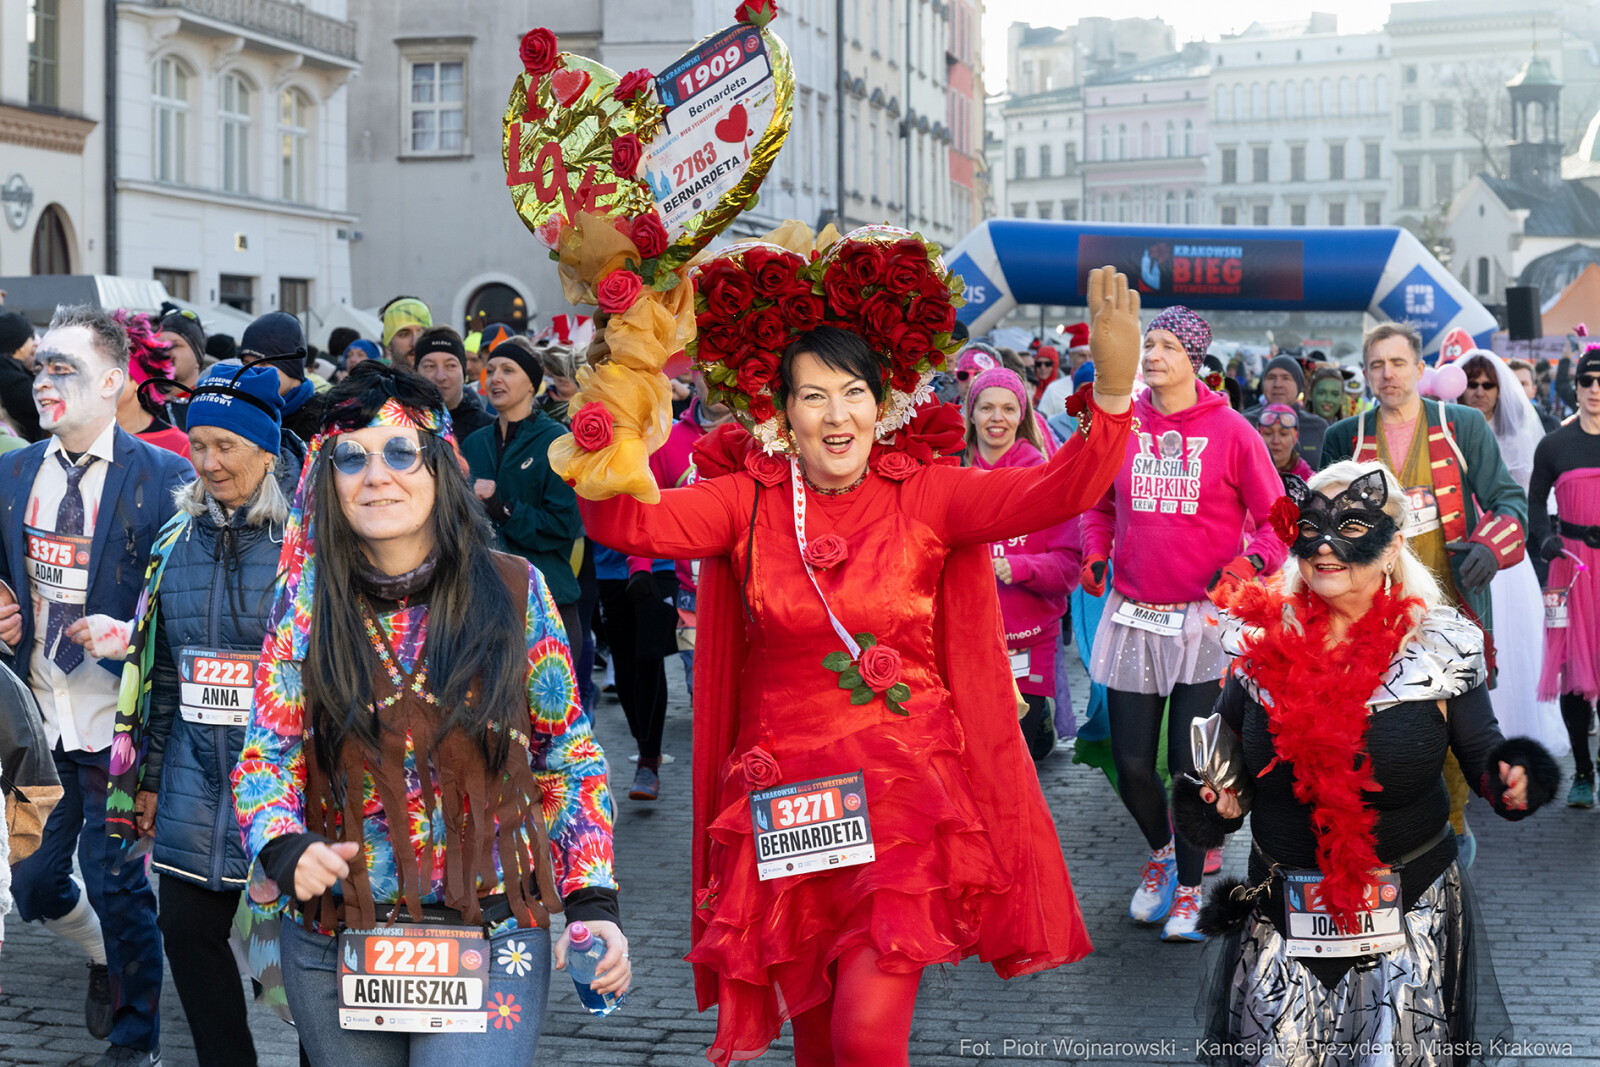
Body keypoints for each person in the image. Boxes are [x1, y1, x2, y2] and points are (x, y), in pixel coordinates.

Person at [575, 232, 1140, 1065]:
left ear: (884, 403)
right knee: (815, 1037)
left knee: (866, 1034)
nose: (836, 416)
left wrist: (1118, 396)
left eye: (852, 394)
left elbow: (1060, 490)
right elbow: (625, 521)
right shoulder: (748, 500)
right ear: (782, 411)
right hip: (788, 802)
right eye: (813, 397)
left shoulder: (930, 494)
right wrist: (618, 394)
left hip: (902, 798)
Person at [231, 363, 626, 1064]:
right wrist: (286, 843)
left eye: (400, 451)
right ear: (328, 480)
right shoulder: (306, 599)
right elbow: (268, 755)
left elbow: (570, 757)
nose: (375, 474)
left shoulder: (514, 589)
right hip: (336, 937)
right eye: (350, 457)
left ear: (440, 465)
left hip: (493, 934)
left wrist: (591, 897)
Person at [1177, 462, 1559, 1066]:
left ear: (1393, 545)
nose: (1325, 546)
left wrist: (1514, 779)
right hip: (1281, 916)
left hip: (1409, 921)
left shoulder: (1439, 644)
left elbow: (1484, 754)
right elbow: (1225, 747)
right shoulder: (1258, 641)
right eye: (1311, 527)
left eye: (1351, 526)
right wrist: (1214, 794)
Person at [87, 363, 296, 1067]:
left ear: (266, 450)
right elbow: (164, 673)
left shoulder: (307, 544)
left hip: (285, 786)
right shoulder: (177, 539)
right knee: (187, 933)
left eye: (225, 447)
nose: (207, 461)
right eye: (199, 444)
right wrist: (145, 777)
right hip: (190, 782)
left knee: (292, 965)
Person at [0, 305, 192, 1066]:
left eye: (64, 368)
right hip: (36, 727)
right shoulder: (11, 475)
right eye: (39, 367)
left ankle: (134, 1039)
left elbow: (189, 600)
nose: (44, 381)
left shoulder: (165, 477)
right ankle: (102, 957)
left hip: (119, 728)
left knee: (121, 890)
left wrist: (133, 632)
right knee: (35, 883)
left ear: (112, 383)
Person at [1079, 305, 1288, 944]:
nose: (1153, 354)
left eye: (1168, 345)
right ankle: (1166, 857)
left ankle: (1193, 894)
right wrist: (1094, 552)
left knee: (1190, 768)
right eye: (1150, 343)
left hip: (1201, 623)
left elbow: (1279, 520)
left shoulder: (1231, 430)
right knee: (1133, 761)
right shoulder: (1120, 424)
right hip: (1135, 616)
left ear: (1194, 358)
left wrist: (1249, 562)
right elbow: (1096, 504)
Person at [1321, 323, 1528, 864]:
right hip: (1366, 616)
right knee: (1375, 735)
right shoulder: (1345, 436)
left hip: (1450, 610)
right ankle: (1379, 844)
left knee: (1458, 737)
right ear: (1365, 373)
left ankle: (1454, 836)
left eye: (1397, 363)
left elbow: (1510, 501)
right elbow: (1323, 522)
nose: (1387, 374)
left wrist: (1489, 545)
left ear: (1420, 368)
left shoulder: (1460, 426)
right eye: (1376, 365)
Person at [1454, 349, 1567, 756]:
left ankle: (1513, 732)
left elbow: (1518, 499)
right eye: (1472, 384)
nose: (1479, 392)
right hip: (1457, 547)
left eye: (1488, 385)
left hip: (1502, 554)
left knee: (1512, 641)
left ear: (1501, 391)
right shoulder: (1447, 430)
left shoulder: (1517, 436)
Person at [964, 366, 1079, 760]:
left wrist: (1020, 567)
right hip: (963, 646)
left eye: (1008, 409)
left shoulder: (1045, 479)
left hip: (1028, 647)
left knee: (1019, 765)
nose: (997, 419)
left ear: (1023, 416)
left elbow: (1068, 569)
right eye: (986, 408)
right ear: (971, 414)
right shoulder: (948, 474)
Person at [1532, 344, 1600, 806]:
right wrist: (1545, 538)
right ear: (1574, 387)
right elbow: (1535, 502)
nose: (1596, 390)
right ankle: (1582, 771)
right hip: (1571, 568)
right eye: (1587, 381)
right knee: (1573, 672)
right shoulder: (1555, 443)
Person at [113, 312, 190, 459]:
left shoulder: (180, 446)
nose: (101, 381)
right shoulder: (83, 439)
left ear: (137, 382)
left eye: (113, 373)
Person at [240, 312, 325, 445]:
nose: (252, 371)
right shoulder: (240, 411)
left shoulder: (323, 420)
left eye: (263, 363)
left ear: (291, 366)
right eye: (246, 363)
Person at [414, 325, 495, 440]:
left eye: (450, 366)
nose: (440, 376)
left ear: (463, 372)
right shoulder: (404, 426)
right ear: (416, 372)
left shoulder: (489, 430)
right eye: (430, 366)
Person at [1244, 354, 1326, 466]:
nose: (1278, 384)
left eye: (1286, 378)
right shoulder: (1245, 423)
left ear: (1299, 385)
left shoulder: (1318, 427)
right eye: (1271, 378)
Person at [156, 309, 207, 431]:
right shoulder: (141, 407)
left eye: (175, 345)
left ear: (197, 358)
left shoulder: (211, 407)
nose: (164, 351)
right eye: (159, 345)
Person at [0, 311, 43, 441]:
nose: (34, 344)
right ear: (21, 346)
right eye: (30, 338)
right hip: (22, 449)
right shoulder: (16, 382)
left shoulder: (9, 371)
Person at [1255, 403, 1314, 483]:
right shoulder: (1246, 472)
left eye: (1283, 434)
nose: (1276, 441)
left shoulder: (1309, 480)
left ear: (1295, 438)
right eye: (1268, 433)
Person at [1508, 356, 1562, 434]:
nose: (1518, 389)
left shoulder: (1552, 425)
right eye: (1512, 383)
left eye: (1523, 384)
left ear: (1533, 390)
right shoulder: (1491, 425)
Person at [379, 295, 431, 367]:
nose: (415, 343)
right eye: (404, 334)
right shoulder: (373, 377)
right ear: (388, 343)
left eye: (421, 333)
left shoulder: (442, 377)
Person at [1030, 344, 1060, 409]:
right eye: (1039, 364)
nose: (1042, 367)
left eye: (1047, 364)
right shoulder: (1028, 385)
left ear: (1054, 365)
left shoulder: (1061, 389)